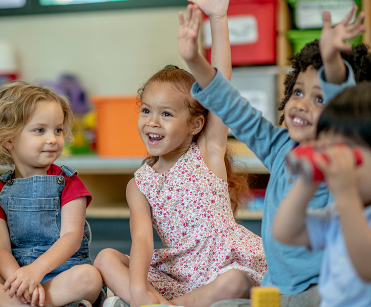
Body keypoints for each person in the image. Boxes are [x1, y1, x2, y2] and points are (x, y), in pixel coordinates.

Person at [181, 5, 371, 306]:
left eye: (320, 97)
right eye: (298, 92)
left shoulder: (344, 156)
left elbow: (343, 106)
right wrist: (194, 60)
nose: (301, 104)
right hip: (277, 293)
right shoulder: (281, 147)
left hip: (325, 290)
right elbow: (232, 107)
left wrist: (332, 61)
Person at [94, 2, 267, 307]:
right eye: (146, 110)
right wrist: (138, 290)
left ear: (195, 124)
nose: (152, 121)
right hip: (178, 278)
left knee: (235, 282)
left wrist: (218, 17)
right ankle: (148, 302)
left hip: (222, 270)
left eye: (166, 114)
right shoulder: (140, 185)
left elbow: (222, 84)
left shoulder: (207, 151)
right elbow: (142, 240)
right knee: (106, 258)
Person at [273, 82, 371, 307]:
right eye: (328, 151)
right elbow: (284, 232)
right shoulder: (338, 214)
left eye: (348, 155)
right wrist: (309, 180)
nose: (336, 165)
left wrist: (346, 196)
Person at [0, 82, 104, 307]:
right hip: (19, 278)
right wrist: (20, 279)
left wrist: (36, 271)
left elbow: (71, 239)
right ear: (8, 140)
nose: (52, 139)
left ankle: (17, 304)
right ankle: (26, 303)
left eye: (58, 130)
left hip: (62, 276)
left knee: (90, 277)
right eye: (39, 130)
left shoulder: (70, 182)